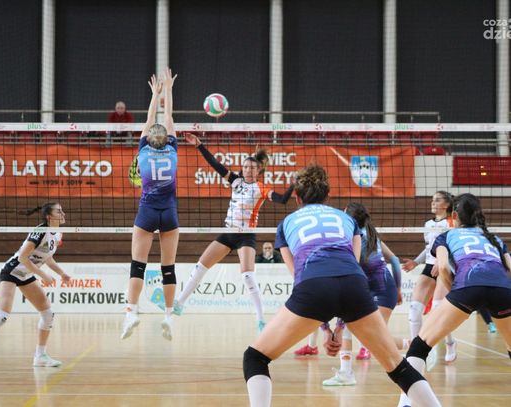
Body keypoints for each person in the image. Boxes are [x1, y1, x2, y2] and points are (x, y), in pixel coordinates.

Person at [243, 164, 442, 407]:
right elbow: (353, 267)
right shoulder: (347, 219)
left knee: (255, 358)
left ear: (296, 198)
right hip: (354, 285)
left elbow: (299, 277)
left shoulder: (285, 224)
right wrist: (338, 329)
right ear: (328, 197)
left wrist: (326, 330)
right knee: (398, 367)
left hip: (314, 286)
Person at [397, 193, 511, 407]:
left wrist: (454, 294)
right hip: (503, 289)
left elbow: (441, 267)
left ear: (454, 216)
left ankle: (406, 403)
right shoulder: (494, 238)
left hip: (467, 286)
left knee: (419, 347)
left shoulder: (446, 236)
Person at [175, 132, 294, 331]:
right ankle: (179, 303)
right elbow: (215, 164)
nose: (248, 170)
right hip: (228, 232)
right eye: (245, 167)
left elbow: (282, 200)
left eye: (252, 168)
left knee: (247, 275)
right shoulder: (236, 181)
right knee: (200, 266)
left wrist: (293, 185)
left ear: (258, 170)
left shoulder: (261, 188)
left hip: (246, 235)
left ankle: (261, 319)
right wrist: (199, 145)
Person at [0, 203, 70, 369]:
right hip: (12, 271)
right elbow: (23, 257)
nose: (63, 214)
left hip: (26, 275)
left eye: (62, 211)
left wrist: (62, 273)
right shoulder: (39, 232)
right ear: (49, 217)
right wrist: (43, 275)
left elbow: (47, 257)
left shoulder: (57, 234)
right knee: (2, 316)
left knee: (48, 314)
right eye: (58, 211)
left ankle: (40, 356)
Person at [121, 68, 179, 341]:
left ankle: (131, 312)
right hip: (169, 213)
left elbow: (151, 118)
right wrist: (169, 90)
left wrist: (155, 94)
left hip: (147, 211)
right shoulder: (173, 150)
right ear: (166, 138)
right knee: (168, 268)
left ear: (149, 139)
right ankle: (168, 316)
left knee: (138, 265)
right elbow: (169, 118)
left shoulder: (143, 150)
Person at [323, 202, 408, 386]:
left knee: (375, 338)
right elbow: (394, 259)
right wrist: (398, 288)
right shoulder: (371, 234)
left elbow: (392, 260)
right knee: (352, 328)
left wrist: (397, 289)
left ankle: (415, 346)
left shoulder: (352, 239)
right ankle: (346, 373)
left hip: (381, 290)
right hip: (376, 288)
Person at [402, 190, 458, 365]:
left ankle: (450, 342)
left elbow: (454, 246)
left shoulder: (452, 222)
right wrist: (416, 262)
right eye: (432, 200)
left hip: (445, 266)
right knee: (414, 310)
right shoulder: (428, 224)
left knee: (438, 309)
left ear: (447, 204)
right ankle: (415, 352)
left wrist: (442, 260)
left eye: (437, 200)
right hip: (429, 265)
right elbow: (429, 248)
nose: (433, 203)